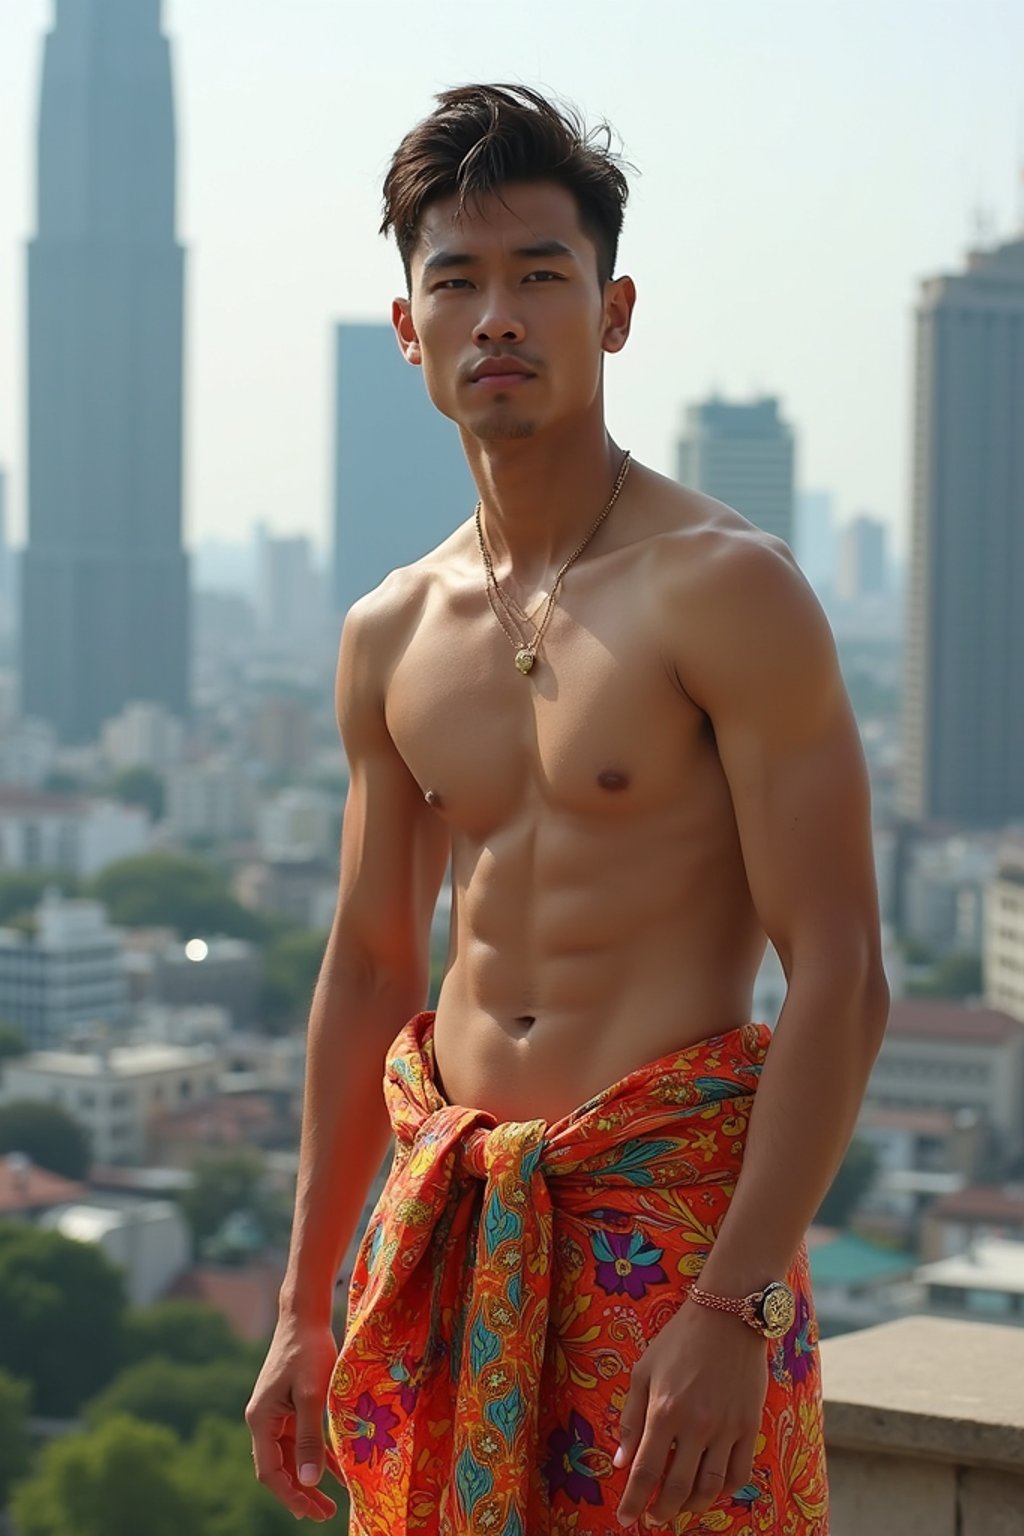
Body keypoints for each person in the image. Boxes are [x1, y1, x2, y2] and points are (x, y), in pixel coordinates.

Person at [245, 83, 889, 1535]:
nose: (499, 319)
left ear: (615, 311)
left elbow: (840, 964)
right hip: (456, 1228)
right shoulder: (388, 632)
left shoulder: (726, 588)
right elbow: (364, 972)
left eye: (542, 275)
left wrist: (739, 1302)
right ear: (408, 331)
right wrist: (302, 1303)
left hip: (675, 1241)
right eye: (457, 282)